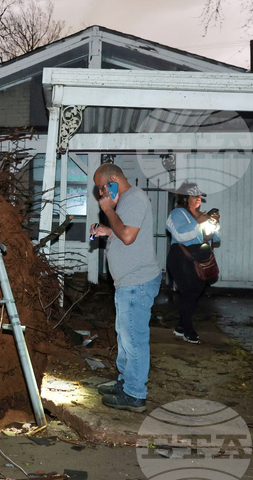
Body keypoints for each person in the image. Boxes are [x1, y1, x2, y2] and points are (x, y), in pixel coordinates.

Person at [89, 163, 161, 413]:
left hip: (136, 282)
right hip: (129, 282)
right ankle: (126, 382)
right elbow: (126, 234)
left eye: (102, 187)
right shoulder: (128, 200)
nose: (101, 193)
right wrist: (109, 231)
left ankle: (134, 394)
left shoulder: (134, 199)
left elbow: (129, 236)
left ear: (113, 180)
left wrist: (109, 211)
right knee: (126, 337)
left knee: (134, 339)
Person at [165, 182, 220, 345]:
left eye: (200, 197)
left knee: (195, 291)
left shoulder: (199, 214)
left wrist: (213, 223)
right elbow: (180, 235)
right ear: (184, 198)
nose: (198, 199)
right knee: (189, 292)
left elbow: (214, 238)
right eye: (194, 196)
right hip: (181, 258)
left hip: (197, 257)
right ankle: (188, 330)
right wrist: (198, 222)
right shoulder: (177, 213)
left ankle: (182, 326)